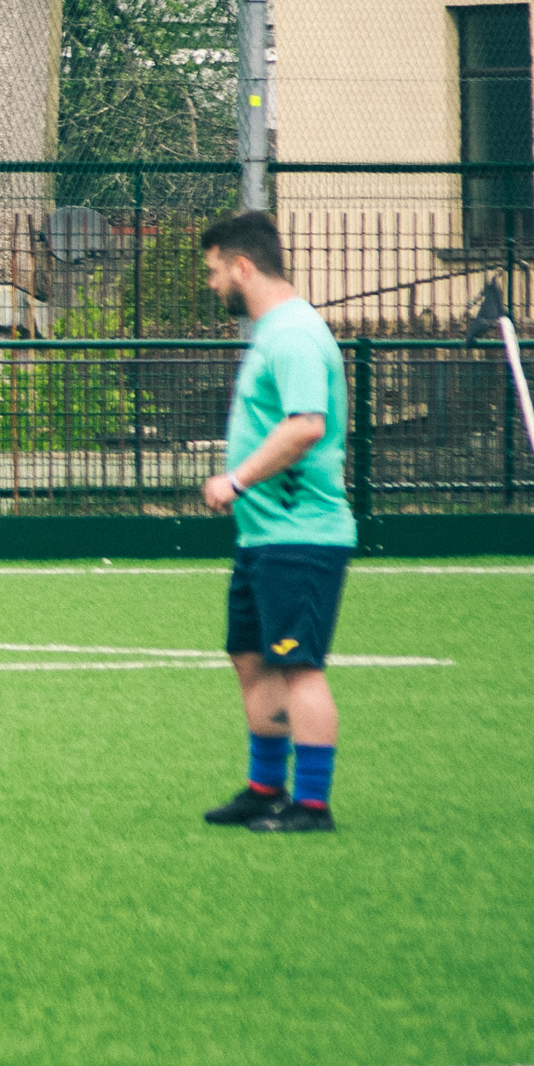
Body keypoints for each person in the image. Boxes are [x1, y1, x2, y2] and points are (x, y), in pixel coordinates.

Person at [195, 210, 356, 834]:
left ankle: (311, 805)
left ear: (242, 266)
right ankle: (265, 790)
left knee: (298, 666)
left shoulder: (292, 335)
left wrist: (236, 480)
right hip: (265, 535)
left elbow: (305, 425)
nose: (212, 285)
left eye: (214, 272)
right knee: (250, 656)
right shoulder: (273, 332)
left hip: (301, 534)